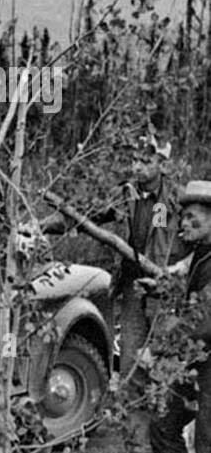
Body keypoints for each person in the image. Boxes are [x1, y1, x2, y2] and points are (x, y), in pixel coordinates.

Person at [40, 132, 183, 394]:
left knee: (166, 355)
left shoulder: (176, 199)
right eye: (135, 160)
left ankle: (164, 418)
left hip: (163, 292)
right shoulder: (125, 195)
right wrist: (45, 226)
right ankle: (131, 414)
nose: (137, 167)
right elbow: (87, 217)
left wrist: (178, 274)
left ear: (162, 164)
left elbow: (197, 240)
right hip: (132, 286)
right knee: (130, 355)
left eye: (146, 161)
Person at [146, 180, 211, 453]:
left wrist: (160, 345)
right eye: (182, 217)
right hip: (197, 356)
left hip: (204, 355)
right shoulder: (200, 254)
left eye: (192, 217)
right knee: (161, 418)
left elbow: (203, 318)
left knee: (209, 443)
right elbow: (180, 273)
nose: (183, 223)